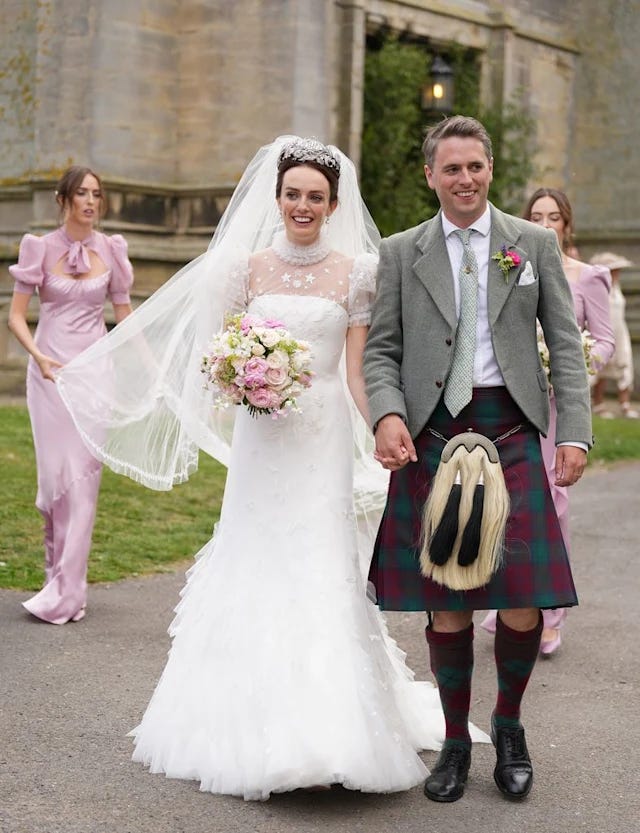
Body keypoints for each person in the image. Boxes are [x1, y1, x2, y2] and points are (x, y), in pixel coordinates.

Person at [55, 137, 488, 801]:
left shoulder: (356, 273)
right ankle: (245, 721)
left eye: (316, 196)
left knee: (319, 560)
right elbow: (218, 357)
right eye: (293, 195)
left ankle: (330, 730)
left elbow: (353, 367)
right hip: (263, 440)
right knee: (255, 557)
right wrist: (244, 380)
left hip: (318, 440)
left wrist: (381, 425)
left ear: (333, 203)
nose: (303, 206)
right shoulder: (244, 268)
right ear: (278, 199)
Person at [364, 116, 592, 803]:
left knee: (523, 596)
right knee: (447, 605)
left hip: (513, 431)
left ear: (490, 170)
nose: (465, 179)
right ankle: (457, 739)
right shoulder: (403, 251)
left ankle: (510, 723)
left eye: (476, 167)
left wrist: (574, 431)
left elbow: (566, 342)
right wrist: (387, 412)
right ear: (431, 175)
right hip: (433, 435)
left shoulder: (530, 244)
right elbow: (381, 349)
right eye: (452, 168)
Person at [480, 188, 615, 654]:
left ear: (567, 224)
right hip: (516, 402)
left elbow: (605, 341)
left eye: (553, 216)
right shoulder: (509, 265)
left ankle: (550, 615)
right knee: (507, 498)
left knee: (552, 503)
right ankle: (507, 600)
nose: (545, 224)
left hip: (557, 404)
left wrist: (569, 366)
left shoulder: (589, 277)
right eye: (536, 216)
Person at [8, 166, 133, 625]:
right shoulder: (38, 247)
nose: (90, 201)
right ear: (63, 199)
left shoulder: (113, 249)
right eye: (81, 193)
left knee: (84, 484)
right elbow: (17, 317)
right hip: (49, 375)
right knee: (55, 482)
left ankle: (68, 592)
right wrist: (39, 356)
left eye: (96, 194)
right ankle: (55, 579)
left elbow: (125, 313)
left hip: (95, 374)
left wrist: (152, 363)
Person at [590, 252, 638, 419]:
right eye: (613, 270)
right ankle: (598, 404)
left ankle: (624, 404)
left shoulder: (617, 287)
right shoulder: (597, 288)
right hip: (603, 332)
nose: (616, 273)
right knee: (600, 368)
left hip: (620, 332)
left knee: (625, 366)